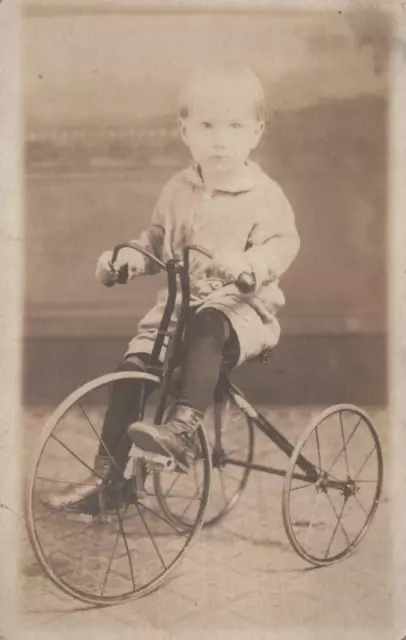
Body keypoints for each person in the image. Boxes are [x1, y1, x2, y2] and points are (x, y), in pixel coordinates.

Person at [46, 64, 300, 510]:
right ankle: (108, 479)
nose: (220, 138)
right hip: (175, 312)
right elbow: (159, 242)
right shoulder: (178, 189)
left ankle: (181, 432)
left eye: (234, 126)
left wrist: (248, 265)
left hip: (242, 313)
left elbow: (282, 244)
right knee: (131, 371)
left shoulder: (265, 195)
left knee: (208, 323)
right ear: (184, 131)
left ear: (257, 133)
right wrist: (125, 260)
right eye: (206, 125)